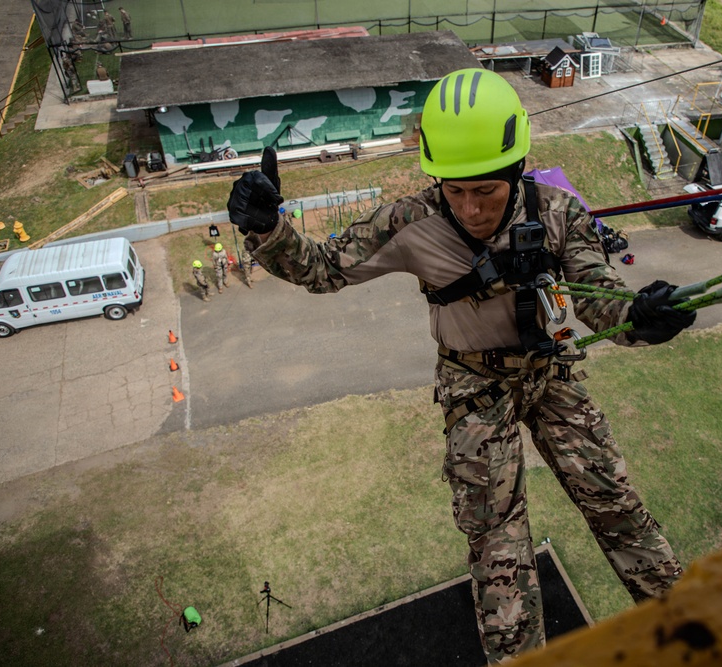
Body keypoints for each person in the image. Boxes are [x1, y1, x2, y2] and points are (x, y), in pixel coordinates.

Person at [226, 68, 695, 664]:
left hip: (548, 375)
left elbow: (598, 293)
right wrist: (268, 229)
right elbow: (322, 269)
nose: (471, 209)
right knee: (499, 547)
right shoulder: (409, 221)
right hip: (474, 387)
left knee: (617, 505)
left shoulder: (557, 213)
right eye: (455, 191)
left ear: (516, 171)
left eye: (487, 192)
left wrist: (643, 317)